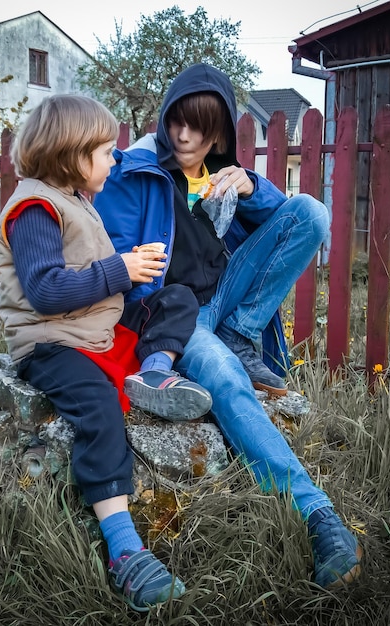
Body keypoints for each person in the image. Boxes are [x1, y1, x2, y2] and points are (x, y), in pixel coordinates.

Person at [93, 63, 363, 588]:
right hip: (175, 315)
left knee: (310, 210)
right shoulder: (136, 170)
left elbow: (287, 232)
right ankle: (318, 515)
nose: (185, 135)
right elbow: (118, 256)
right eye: (178, 121)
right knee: (225, 377)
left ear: (219, 130)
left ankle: (241, 332)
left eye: (200, 126)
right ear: (166, 117)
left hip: (227, 298)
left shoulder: (225, 174)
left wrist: (252, 185)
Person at [0, 94, 213, 611]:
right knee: (98, 407)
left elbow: (88, 272)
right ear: (72, 154)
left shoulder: (73, 199)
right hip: (51, 341)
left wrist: (130, 264)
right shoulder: (35, 209)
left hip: (98, 327)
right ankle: (124, 547)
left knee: (175, 299)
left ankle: (155, 372)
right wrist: (120, 270)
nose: (115, 161)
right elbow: (46, 290)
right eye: (106, 152)